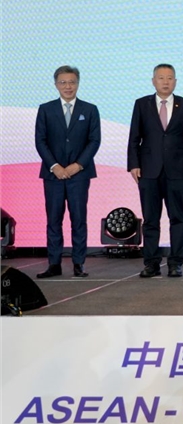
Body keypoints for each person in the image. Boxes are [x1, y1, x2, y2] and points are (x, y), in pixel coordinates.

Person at [127, 64, 183, 278]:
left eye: (169, 78)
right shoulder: (142, 104)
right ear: (153, 81)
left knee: (178, 218)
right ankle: (151, 263)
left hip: (178, 171)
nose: (165, 82)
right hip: (148, 171)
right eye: (161, 78)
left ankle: (175, 263)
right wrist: (133, 164)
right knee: (151, 220)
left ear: (175, 81)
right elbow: (134, 138)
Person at [34, 66, 101, 278]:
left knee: (79, 219)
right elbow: (40, 141)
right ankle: (54, 264)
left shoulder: (90, 109)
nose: (68, 86)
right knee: (53, 220)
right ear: (56, 84)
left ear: (78, 83)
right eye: (63, 82)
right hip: (53, 175)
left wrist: (77, 165)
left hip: (79, 175)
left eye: (72, 82)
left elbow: (94, 141)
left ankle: (79, 263)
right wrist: (55, 166)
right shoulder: (46, 109)